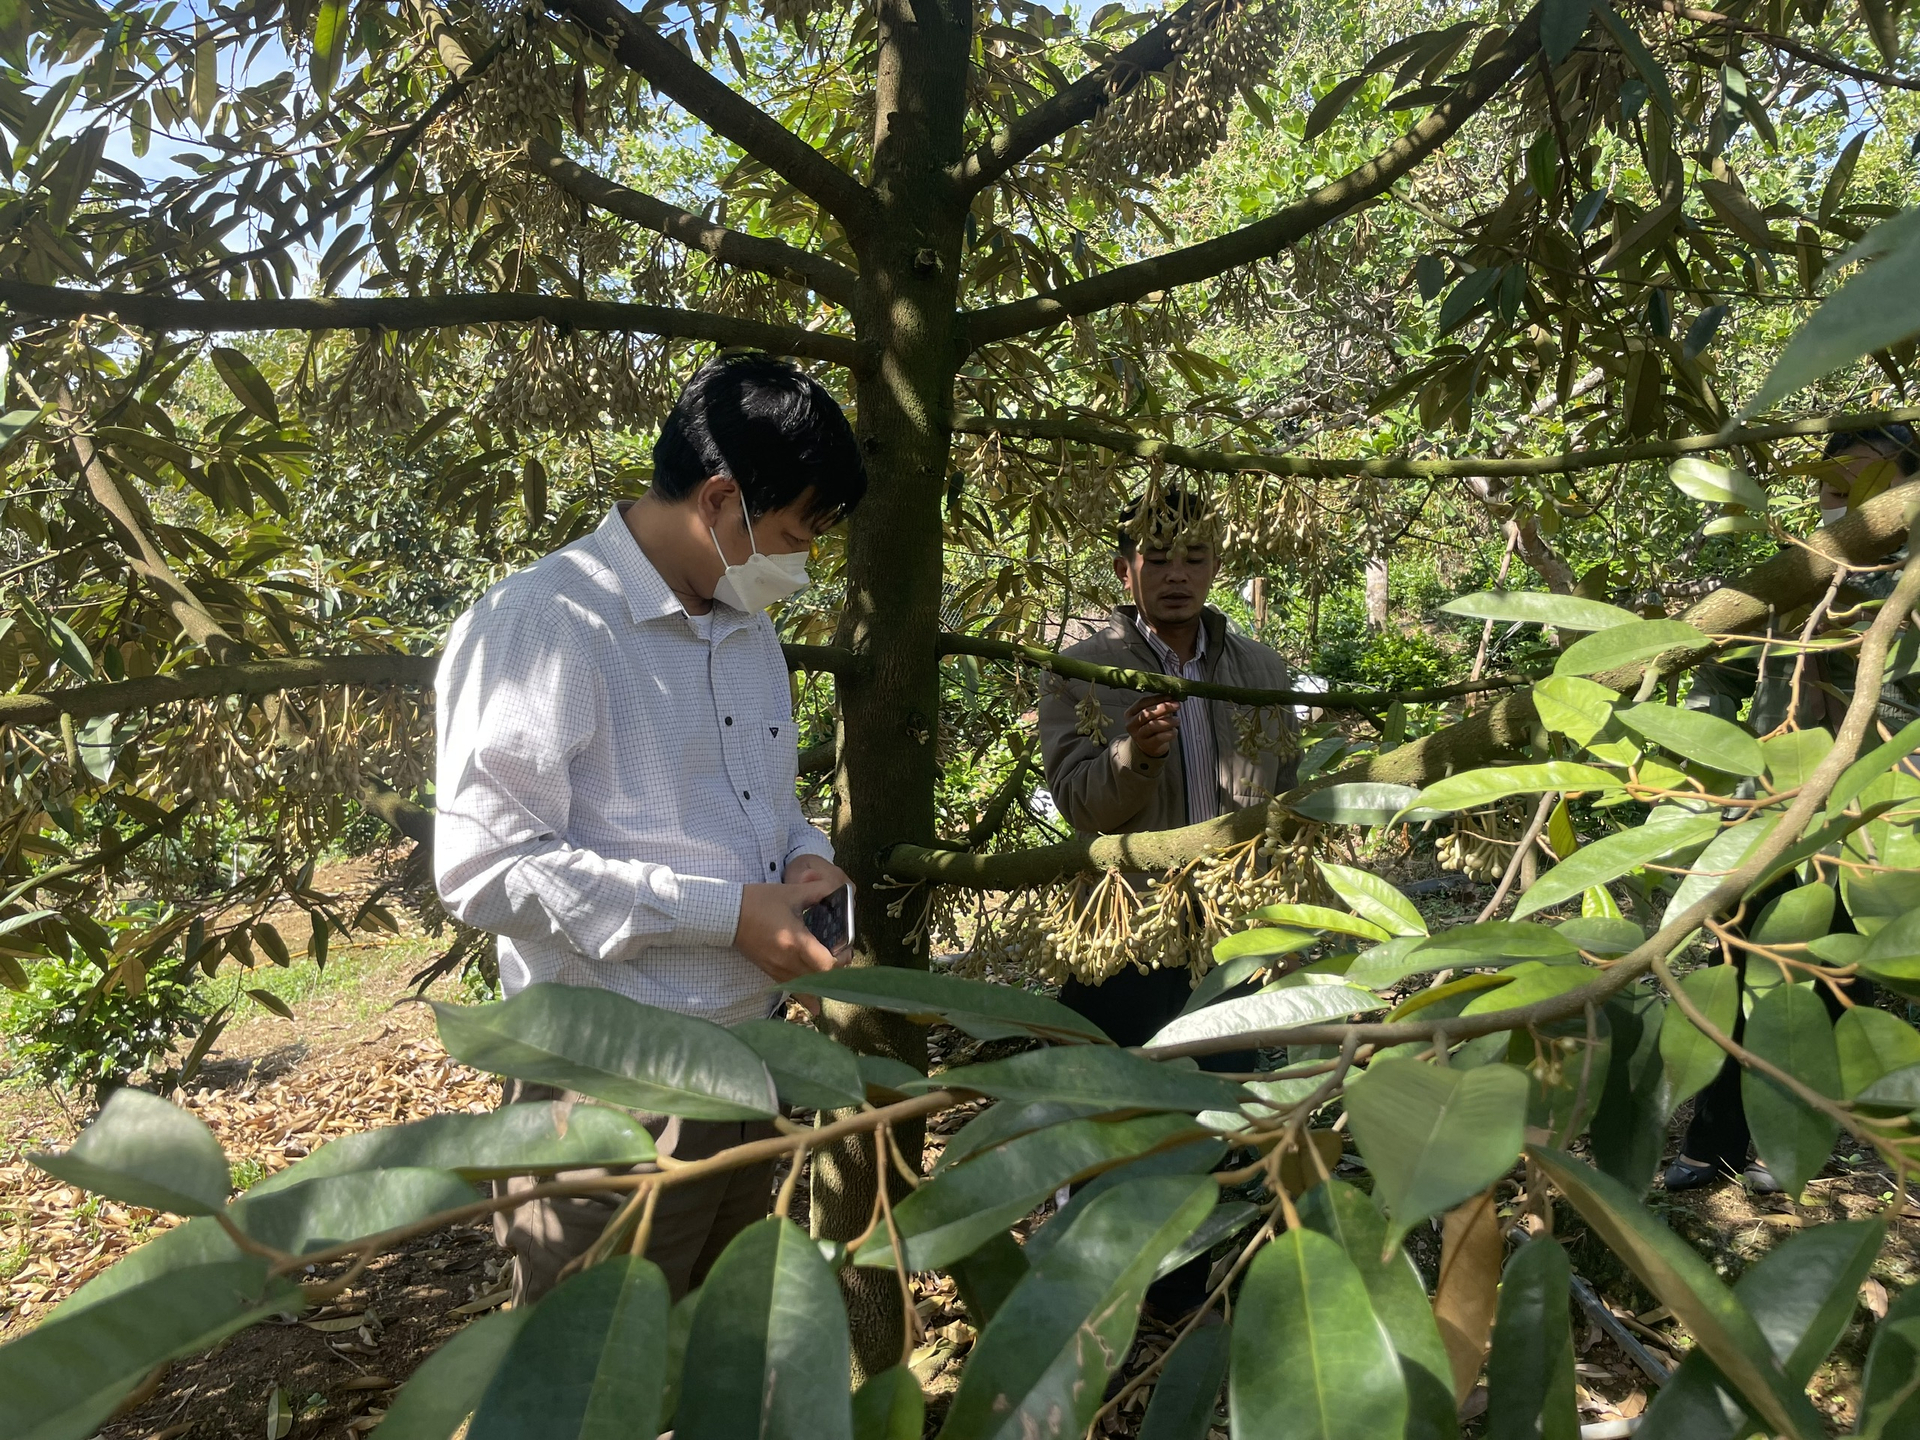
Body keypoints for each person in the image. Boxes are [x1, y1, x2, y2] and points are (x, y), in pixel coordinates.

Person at [433, 352, 864, 1301]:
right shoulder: (545, 624)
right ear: (719, 500)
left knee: (712, 1358)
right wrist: (726, 915)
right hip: (612, 1094)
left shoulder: (749, 629)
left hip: (751, 1064)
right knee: (591, 1388)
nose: (803, 559)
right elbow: (482, 865)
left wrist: (805, 860)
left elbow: (771, 804)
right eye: (794, 532)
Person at [1665, 424, 1918, 1192]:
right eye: (1833, 492)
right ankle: (1717, 1141)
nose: (1847, 510)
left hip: (1866, 823)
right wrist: (1711, 742)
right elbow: (1727, 672)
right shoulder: (1791, 582)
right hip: (1769, 808)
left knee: (1835, 982)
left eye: (1869, 494)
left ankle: (1796, 1140)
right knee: (1739, 964)